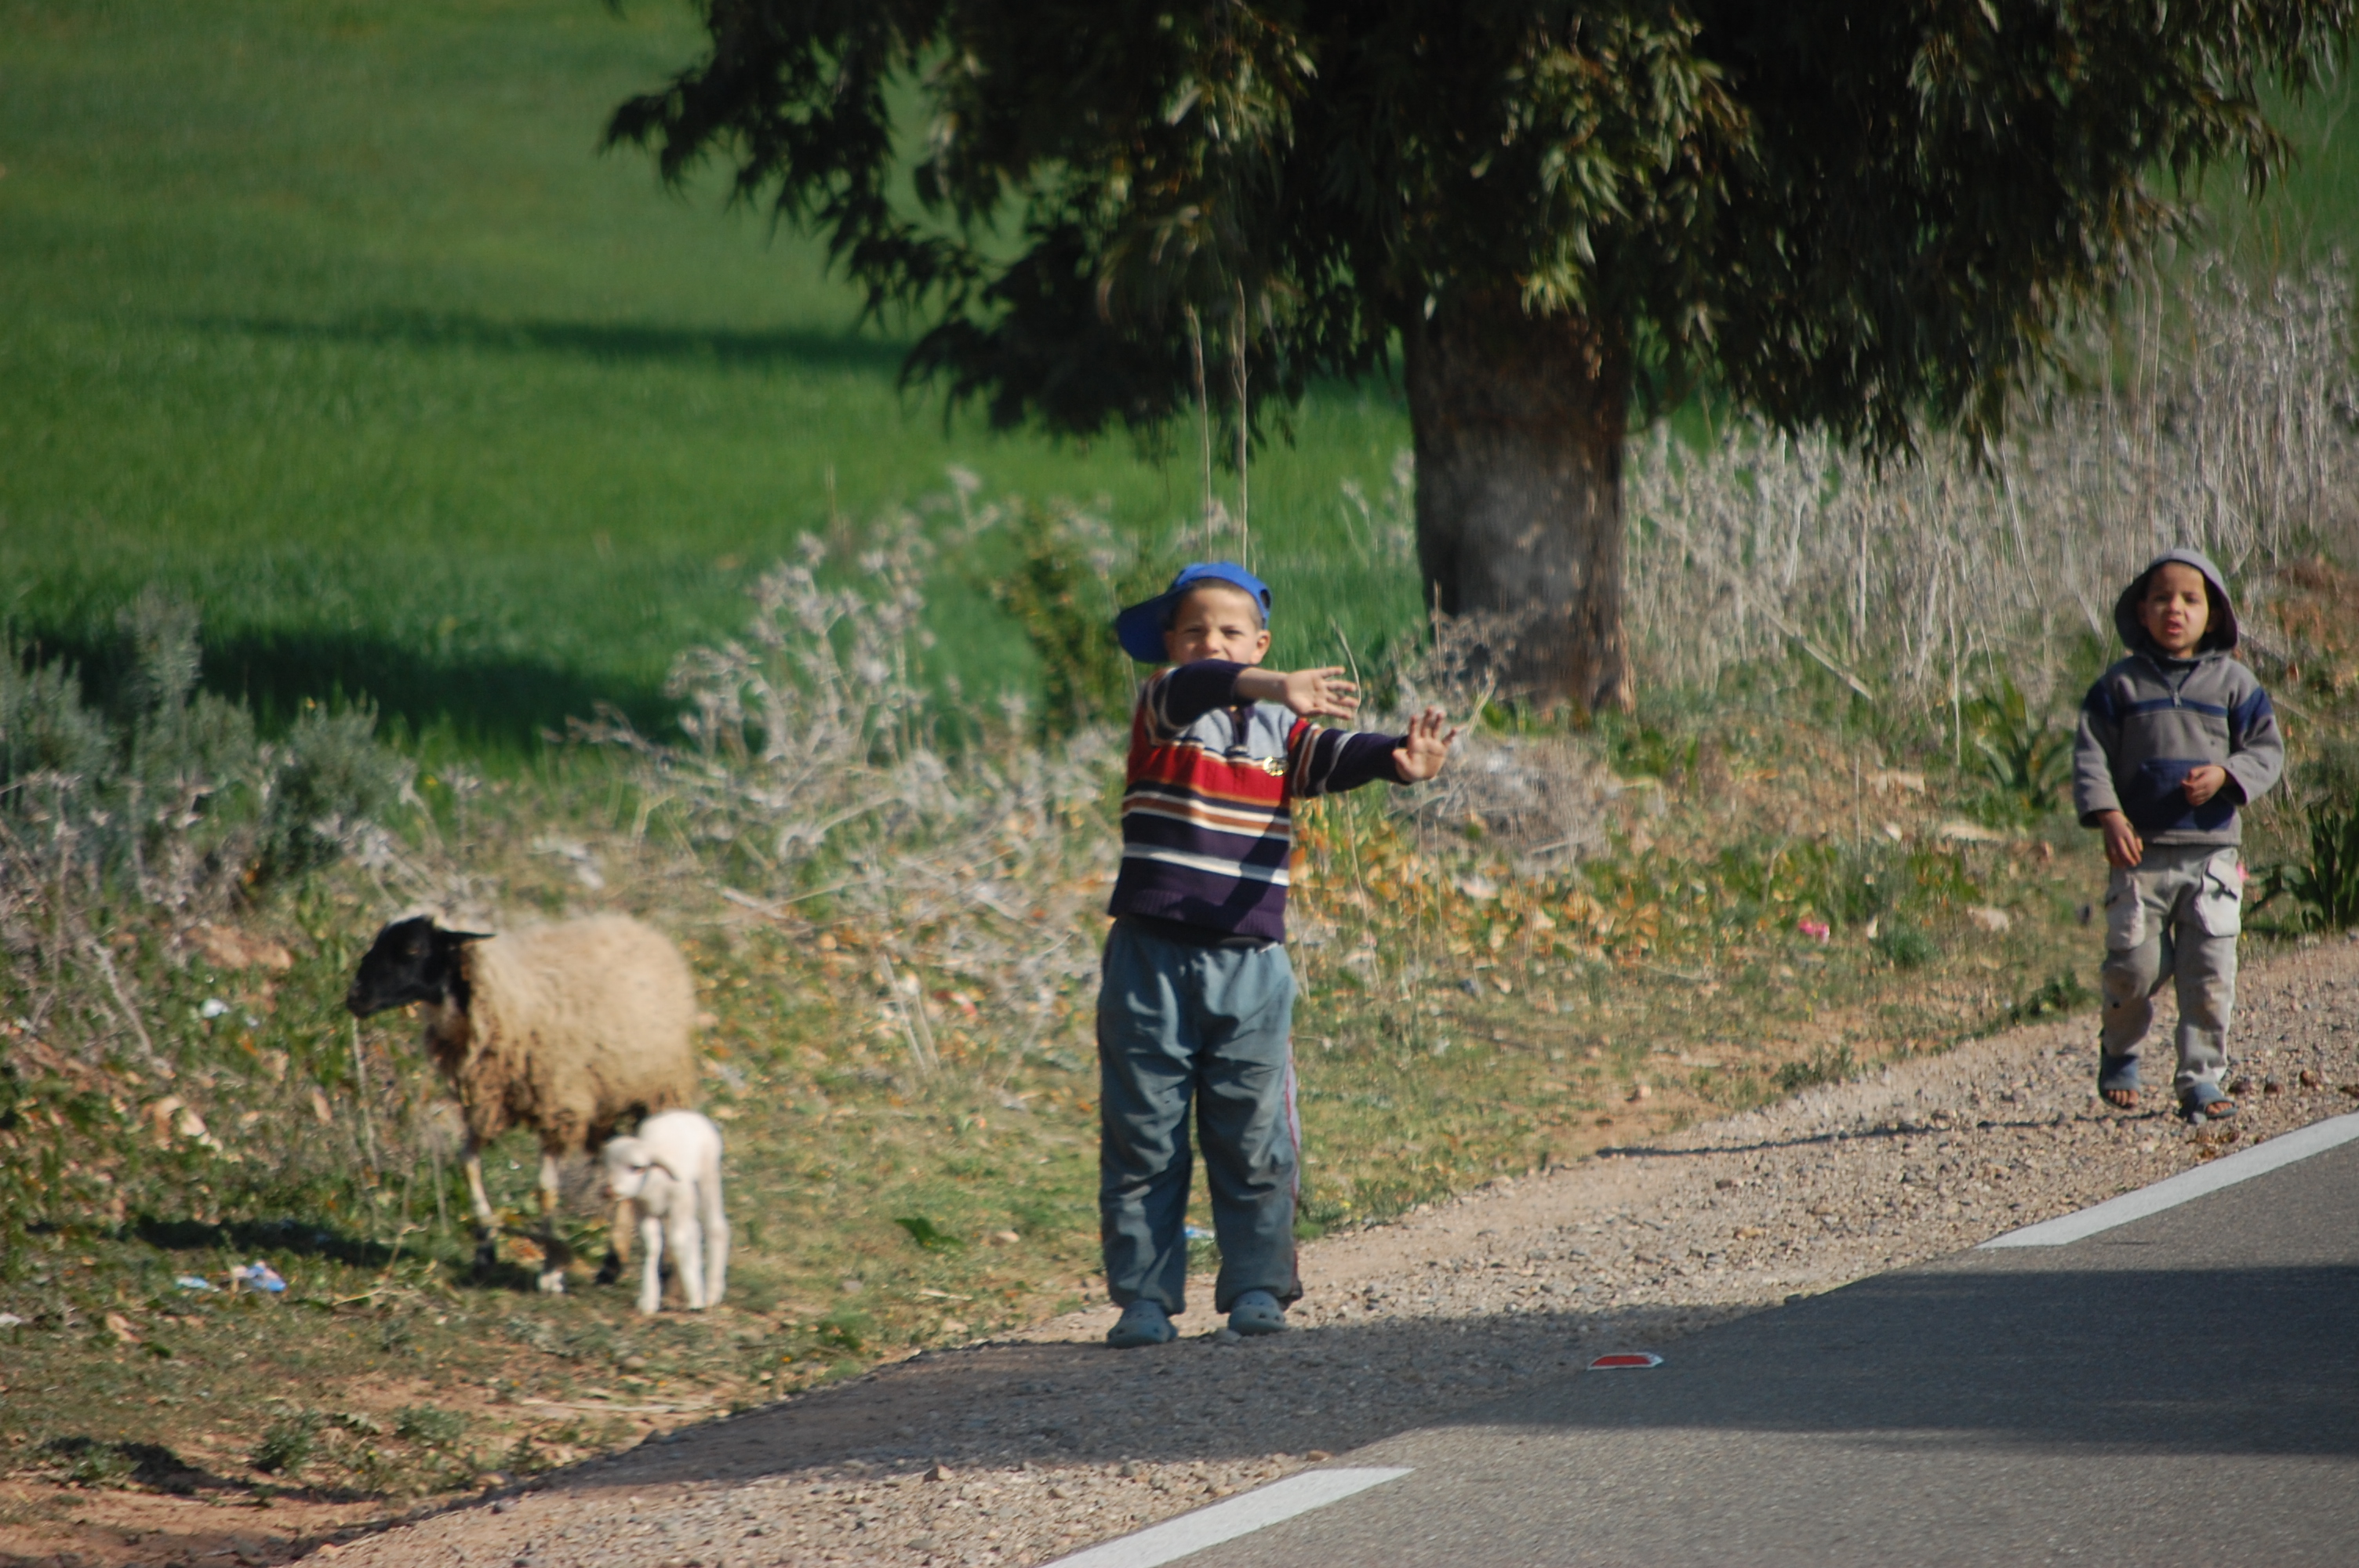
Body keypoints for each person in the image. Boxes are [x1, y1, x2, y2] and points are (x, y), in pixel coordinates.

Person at [1096, 562, 1457, 1346]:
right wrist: (1271, 683)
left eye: (1230, 632)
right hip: (1149, 959)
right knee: (1143, 1135)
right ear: (1169, 643)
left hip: (1251, 966)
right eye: (1194, 630)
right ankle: (1143, 1300)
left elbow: (1335, 754)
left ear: (1259, 642)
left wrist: (1397, 758)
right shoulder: (1163, 705)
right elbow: (1198, 686)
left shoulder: (1280, 733)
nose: (1211, 643)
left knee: (1254, 1135)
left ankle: (1258, 1285)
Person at [2073, 549, 2282, 1121]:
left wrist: (2226, 776)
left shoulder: (2234, 683)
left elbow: (2266, 750)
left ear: (2212, 615)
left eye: (2191, 600)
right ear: (2141, 611)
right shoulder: (2119, 686)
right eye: (2162, 598)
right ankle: (2120, 1051)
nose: (2176, 609)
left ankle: (2201, 1080)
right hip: (2140, 858)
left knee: (2209, 972)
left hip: (2213, 857)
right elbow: (2090, 757)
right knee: (2133, 968)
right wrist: (2108, 816)